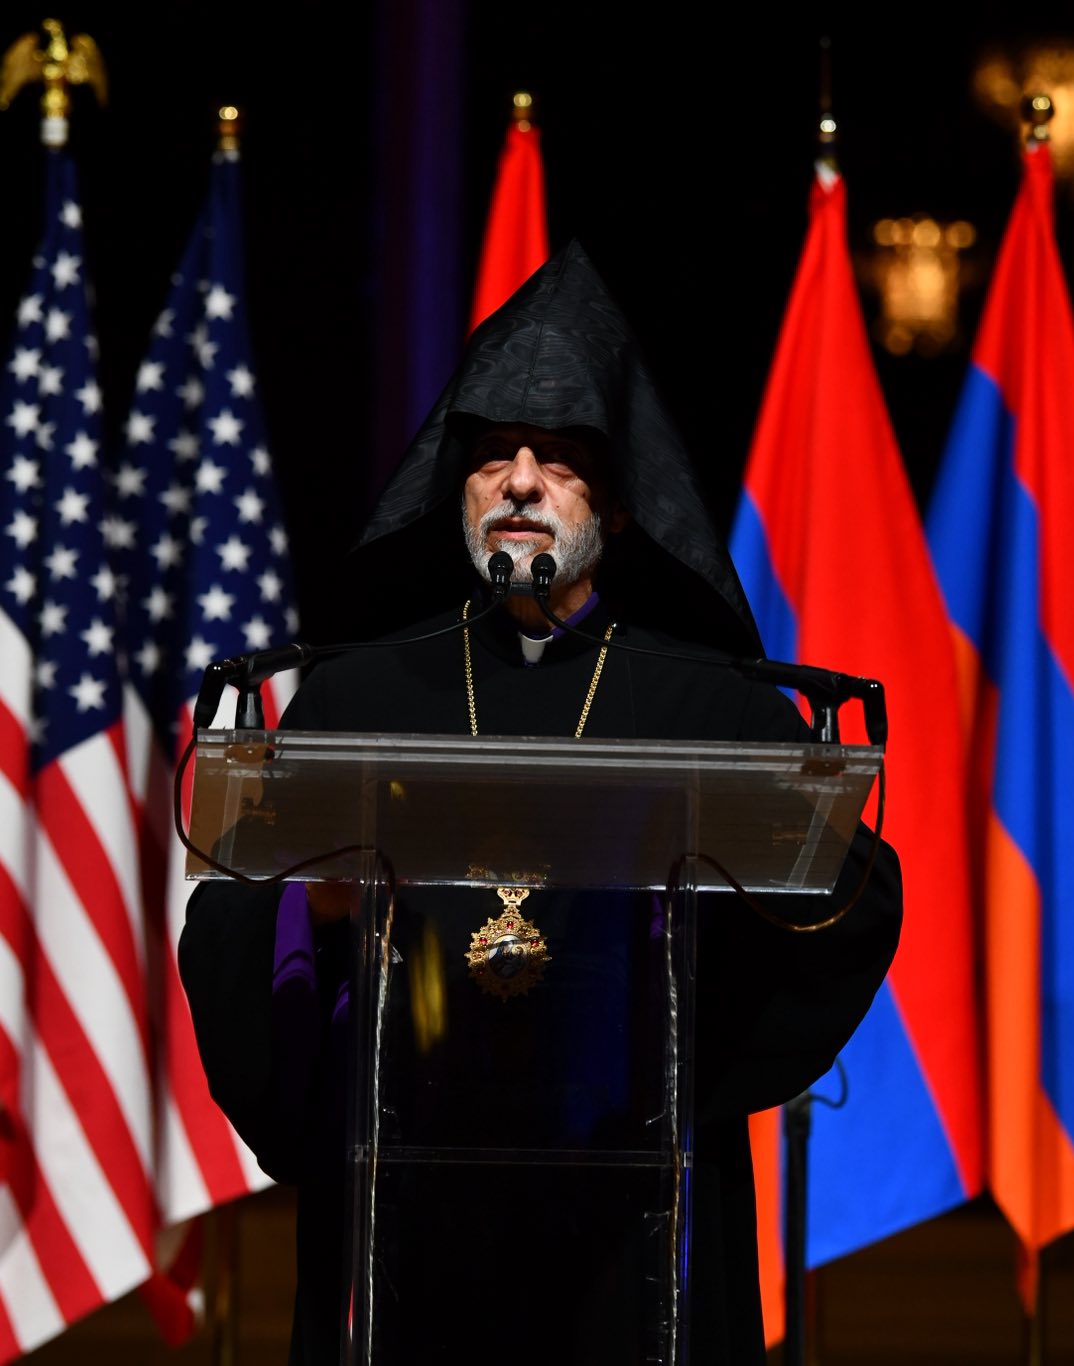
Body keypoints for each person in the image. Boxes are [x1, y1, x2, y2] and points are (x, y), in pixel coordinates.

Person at [178, 242, 902, 1365]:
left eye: (557, 457)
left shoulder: (709, 701)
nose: (518, 479)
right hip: (405, 1207)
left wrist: (712, 945)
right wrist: (311, 917)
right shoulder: (357, 692)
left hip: (632, 1214)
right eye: (492, 456)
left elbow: (842, 902)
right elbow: (233, 916)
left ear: (611, 505)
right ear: (451, 487)